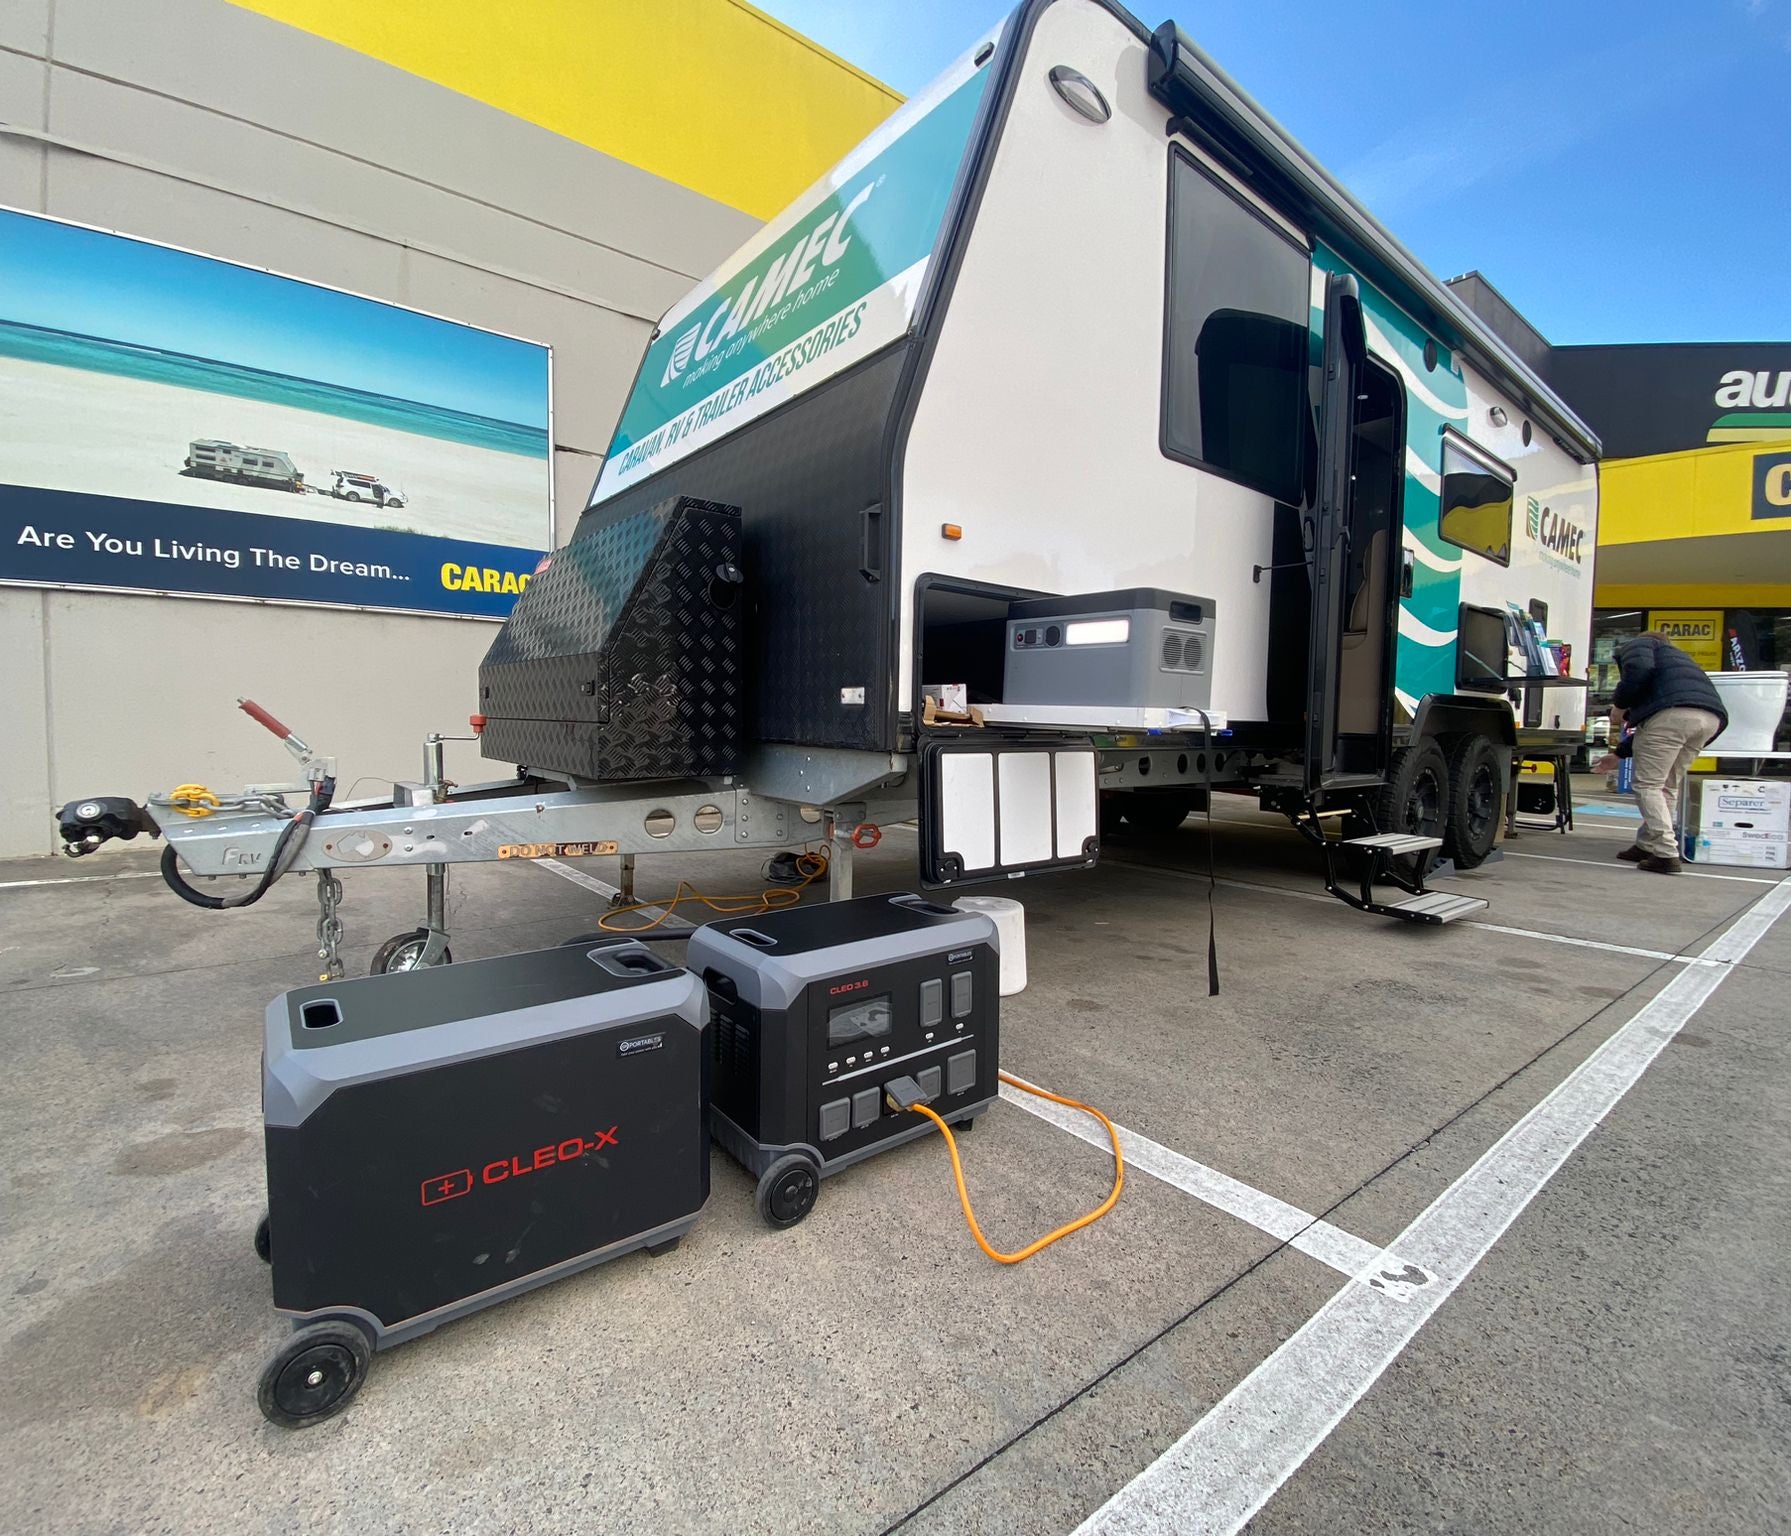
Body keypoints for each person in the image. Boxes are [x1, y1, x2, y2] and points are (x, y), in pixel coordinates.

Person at [1592, 634, 1727, 874]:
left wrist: (1619, 706)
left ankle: (1665, 853)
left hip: (1672, 715)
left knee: (1648, 786)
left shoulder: (1642, 644)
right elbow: (1652, 731)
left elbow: (1639, 669)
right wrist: (1619, 754)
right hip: (1710, 719)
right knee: (1667, 786)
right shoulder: (1678, 661)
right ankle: (1648, 845)